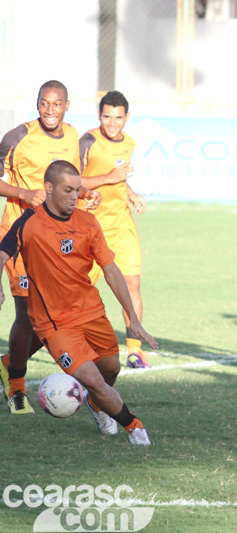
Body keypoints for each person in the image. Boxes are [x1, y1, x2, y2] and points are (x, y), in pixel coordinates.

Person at [0, 161, 156, 444]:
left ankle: (97, 404)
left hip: (91, 312)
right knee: (93, 380)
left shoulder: (87, 223)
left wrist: (132, 318)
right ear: (49, 188)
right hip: (54, 323)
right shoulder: (30, 222)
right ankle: (135, 427)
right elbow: (2, 252)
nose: (75, 196)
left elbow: (110, 270)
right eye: (68, 190)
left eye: (77, 189)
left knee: (111, 369)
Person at [0, 80, 100, 414]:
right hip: (22, 235)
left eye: (57, 104)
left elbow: (70, 178)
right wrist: (22, 193)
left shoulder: (72, 136)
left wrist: (85, 193)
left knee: (53, 322)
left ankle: (7, 363)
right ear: (38, 104)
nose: (50, 110)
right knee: (27, 316)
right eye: (44, 103)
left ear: (66, 106)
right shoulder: (18, 137)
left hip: (55, 241)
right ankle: (16, 388)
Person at [80, 90, 150, 369]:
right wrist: (108, 178)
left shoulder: (129, 142)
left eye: (118, 118)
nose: (112, 123)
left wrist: (130, 193)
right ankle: (75, 345)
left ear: (127, 117)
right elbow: (72, 178)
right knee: (83, 290)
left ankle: (135, 350)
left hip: (122, 226)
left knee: (132, 283)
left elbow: (118, 179)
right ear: (99, 115)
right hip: (92, 228)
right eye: (107, 117)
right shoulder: (87, 141)